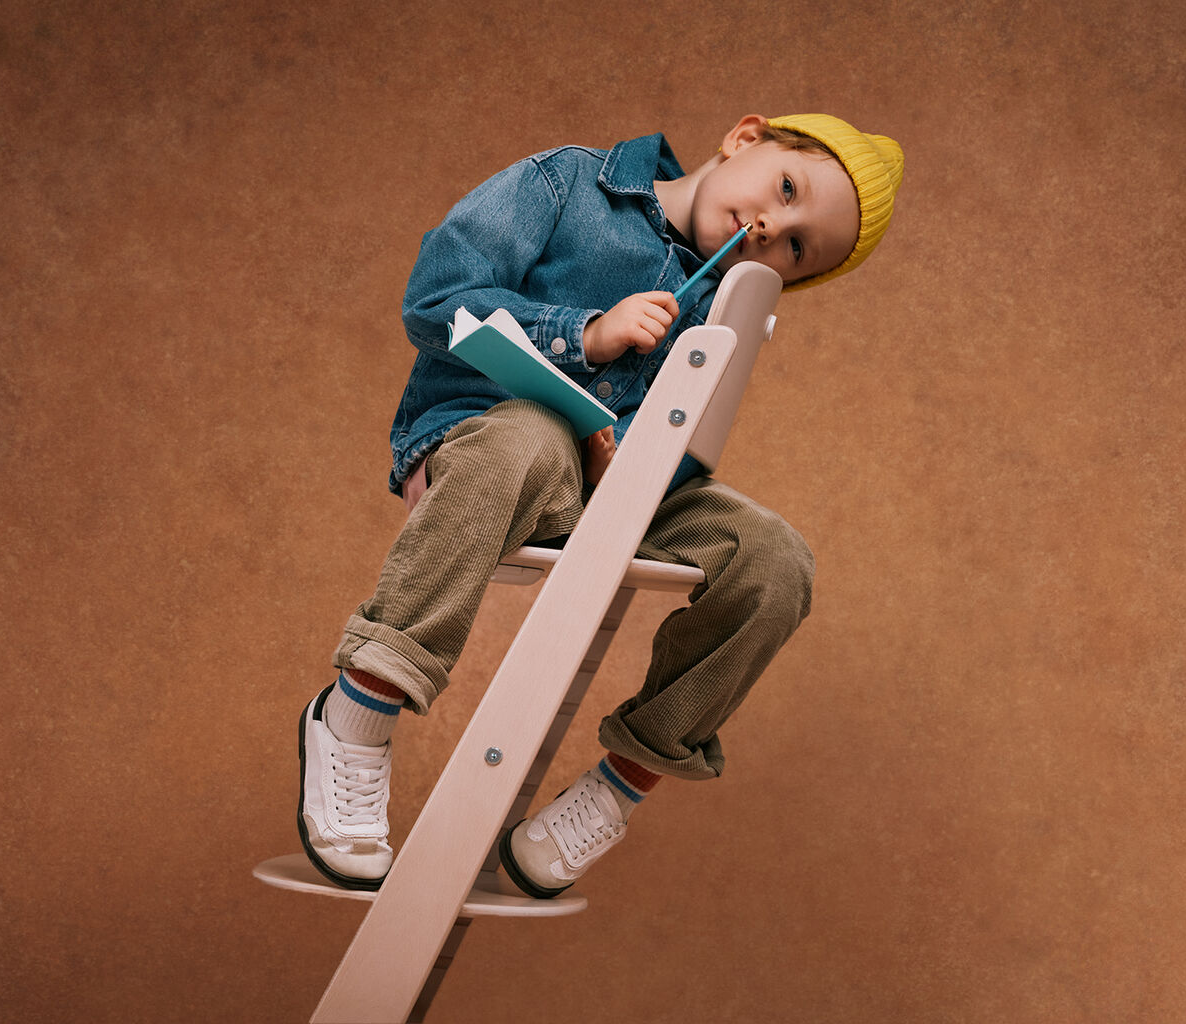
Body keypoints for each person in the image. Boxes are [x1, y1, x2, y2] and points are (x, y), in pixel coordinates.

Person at [295, 113, 905, 898]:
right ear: (745, 137)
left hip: (621, 487)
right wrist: (585, 333)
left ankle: (621, 785)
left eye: (796, 247)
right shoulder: (568, 183)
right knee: (531, 440)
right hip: (484, 443)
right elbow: (436, 299)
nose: (769, 227)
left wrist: (641, 449)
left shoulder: (731, 301)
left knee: (775, 562)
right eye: (787, 190)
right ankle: (358, 712)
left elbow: (683, 446)